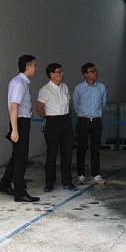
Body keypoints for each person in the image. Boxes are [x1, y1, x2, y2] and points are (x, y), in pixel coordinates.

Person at [0, 55, 41, 203]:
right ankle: (20, 192)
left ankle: (4, 184)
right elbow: (14, 106)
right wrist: (15, 130)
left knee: (16, 156)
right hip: (20, 122)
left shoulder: (21, 82)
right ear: (28, 67)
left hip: (21, 122)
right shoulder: (19, 84)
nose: (36, 68)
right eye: (35, 65)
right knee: (21, 159)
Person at [36, 63, 76, 192]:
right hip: (53, 122)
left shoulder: (65, 87)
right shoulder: (45, 90)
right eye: (59, 72)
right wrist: (49, 119)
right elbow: (40, 109)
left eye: (62, 71)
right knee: (52, 154)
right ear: (51, 74)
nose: (62, 74)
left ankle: (67, 181)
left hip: (66, 121)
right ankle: (49, 182)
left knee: (67, 153)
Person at [73, 62, 107, 185]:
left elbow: (103, 103)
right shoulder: (79, 88)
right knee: (81, 148)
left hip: (96, 121)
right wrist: (85, 114)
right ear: (85, 74)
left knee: (95, 148)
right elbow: (76, 105)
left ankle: (95, 174)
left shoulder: (101, 87)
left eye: (95, 71)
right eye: (92, 71)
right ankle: (81, 175)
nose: (95, 73)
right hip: (83, 121)